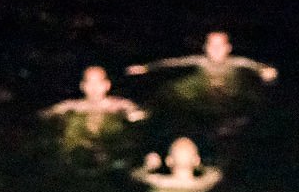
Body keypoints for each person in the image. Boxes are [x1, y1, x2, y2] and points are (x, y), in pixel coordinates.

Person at [126, 31, 277, 84]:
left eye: (220, 45)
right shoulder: (200, 61)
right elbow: (173, 63)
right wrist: (146, 67)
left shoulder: (238, 62)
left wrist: (268, 71)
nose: (216, 50)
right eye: (212, 45)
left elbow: (258, 66)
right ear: (205, 48)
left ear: (228, 48)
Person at [43, 66, 147, 126]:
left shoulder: (120, 105)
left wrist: (134, 116)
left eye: (98, 82)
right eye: (90, 82)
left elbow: (139, 114)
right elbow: (46, 114)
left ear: (107, 85)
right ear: (83, 86)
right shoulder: (72, 106)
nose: (94, 87)